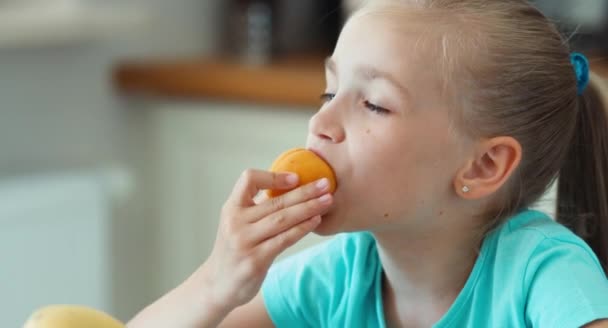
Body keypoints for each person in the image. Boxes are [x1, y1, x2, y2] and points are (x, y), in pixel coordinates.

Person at [127, 0, 608, 327]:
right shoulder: (335, 277)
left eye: (375, 104)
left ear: (482, 166)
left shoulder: (543, 272)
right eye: (329, 92)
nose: (321, 121)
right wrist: (218, 282)